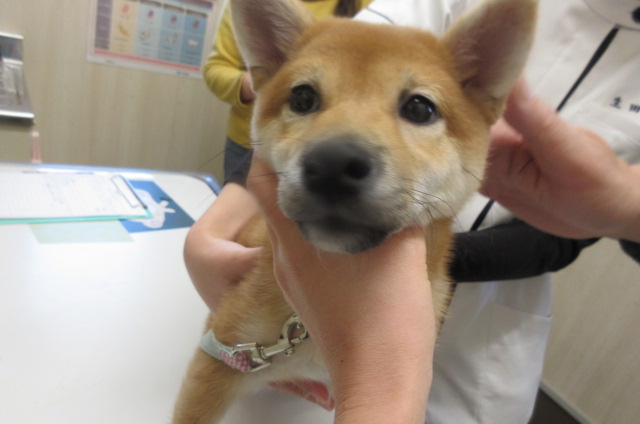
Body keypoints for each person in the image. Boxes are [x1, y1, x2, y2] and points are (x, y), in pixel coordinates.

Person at [186, 0, 640, 422]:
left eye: (418, 109)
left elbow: (563, 237)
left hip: (485, 336)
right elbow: (338, 60)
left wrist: (423, 264)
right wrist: (215, 225)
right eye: (307, 100)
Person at [203, 0, 374, 180]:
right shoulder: (260, 6)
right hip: (246, 139)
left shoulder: (366, 4)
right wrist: (267, 83)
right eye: (303, 99)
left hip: (362, 149)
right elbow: (216, 67)